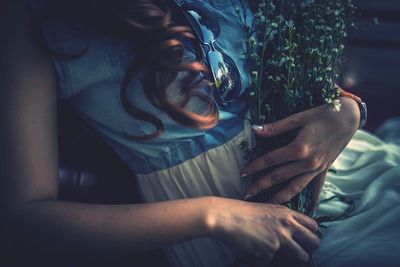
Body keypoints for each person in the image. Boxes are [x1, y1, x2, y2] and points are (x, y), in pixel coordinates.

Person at [1, 0, 399, 266]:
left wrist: (346, 110)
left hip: (354, 171)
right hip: (245, 239)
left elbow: (291, 76)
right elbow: (24, 219)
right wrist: (213, 215)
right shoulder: (26, 15)